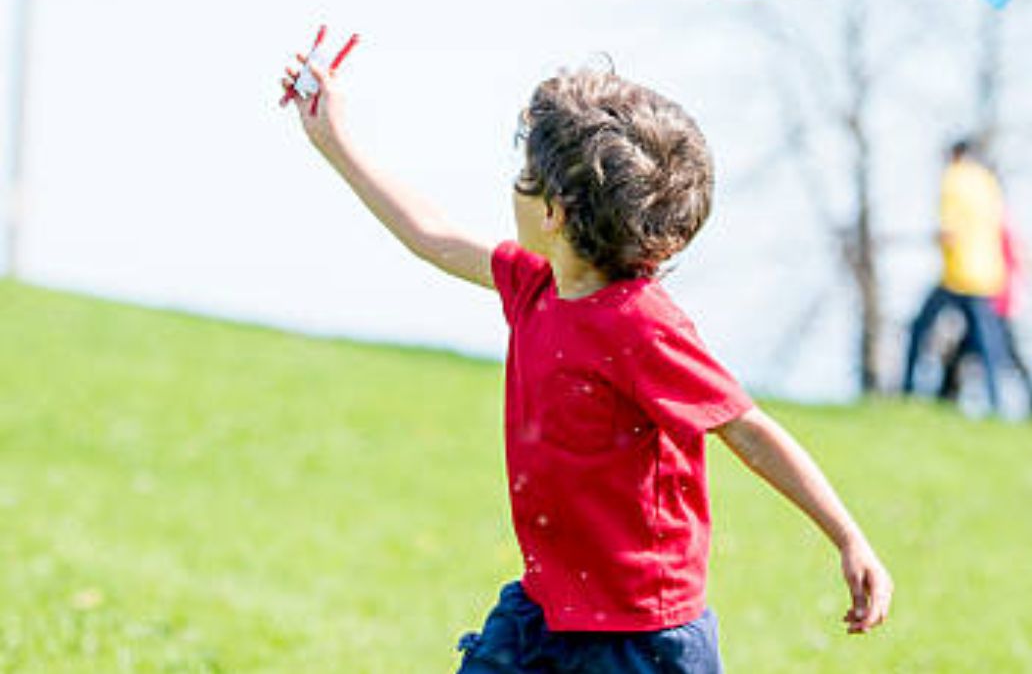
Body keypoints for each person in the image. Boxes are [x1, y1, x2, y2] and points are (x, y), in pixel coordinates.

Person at [281, 53, 892, 673]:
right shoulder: (531, 286)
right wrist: (335, 139)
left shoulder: (642, 324)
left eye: (525, 173)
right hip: (543, 613)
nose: (513, 182)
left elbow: (748, 429)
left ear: (555, 213)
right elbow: (430, 234)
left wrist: (847, 537)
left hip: (642, 640)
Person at [900, 139, 1008, 413]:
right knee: (986, 345)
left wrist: (938, 238)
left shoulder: (954, 179)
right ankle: (996, 402)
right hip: (988, 275)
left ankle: (907, 390)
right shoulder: (987, 182)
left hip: (958, 274)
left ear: (955, 155)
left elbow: (949, 231)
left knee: (919, 329)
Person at [938, 215, 1032, 419]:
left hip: (995, 306)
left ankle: (1026, 406)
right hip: (989, 303)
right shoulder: (988, 231)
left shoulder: (996, 229)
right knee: (968, 353)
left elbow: (1016, 261)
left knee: (997, 356)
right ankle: (945, 399)